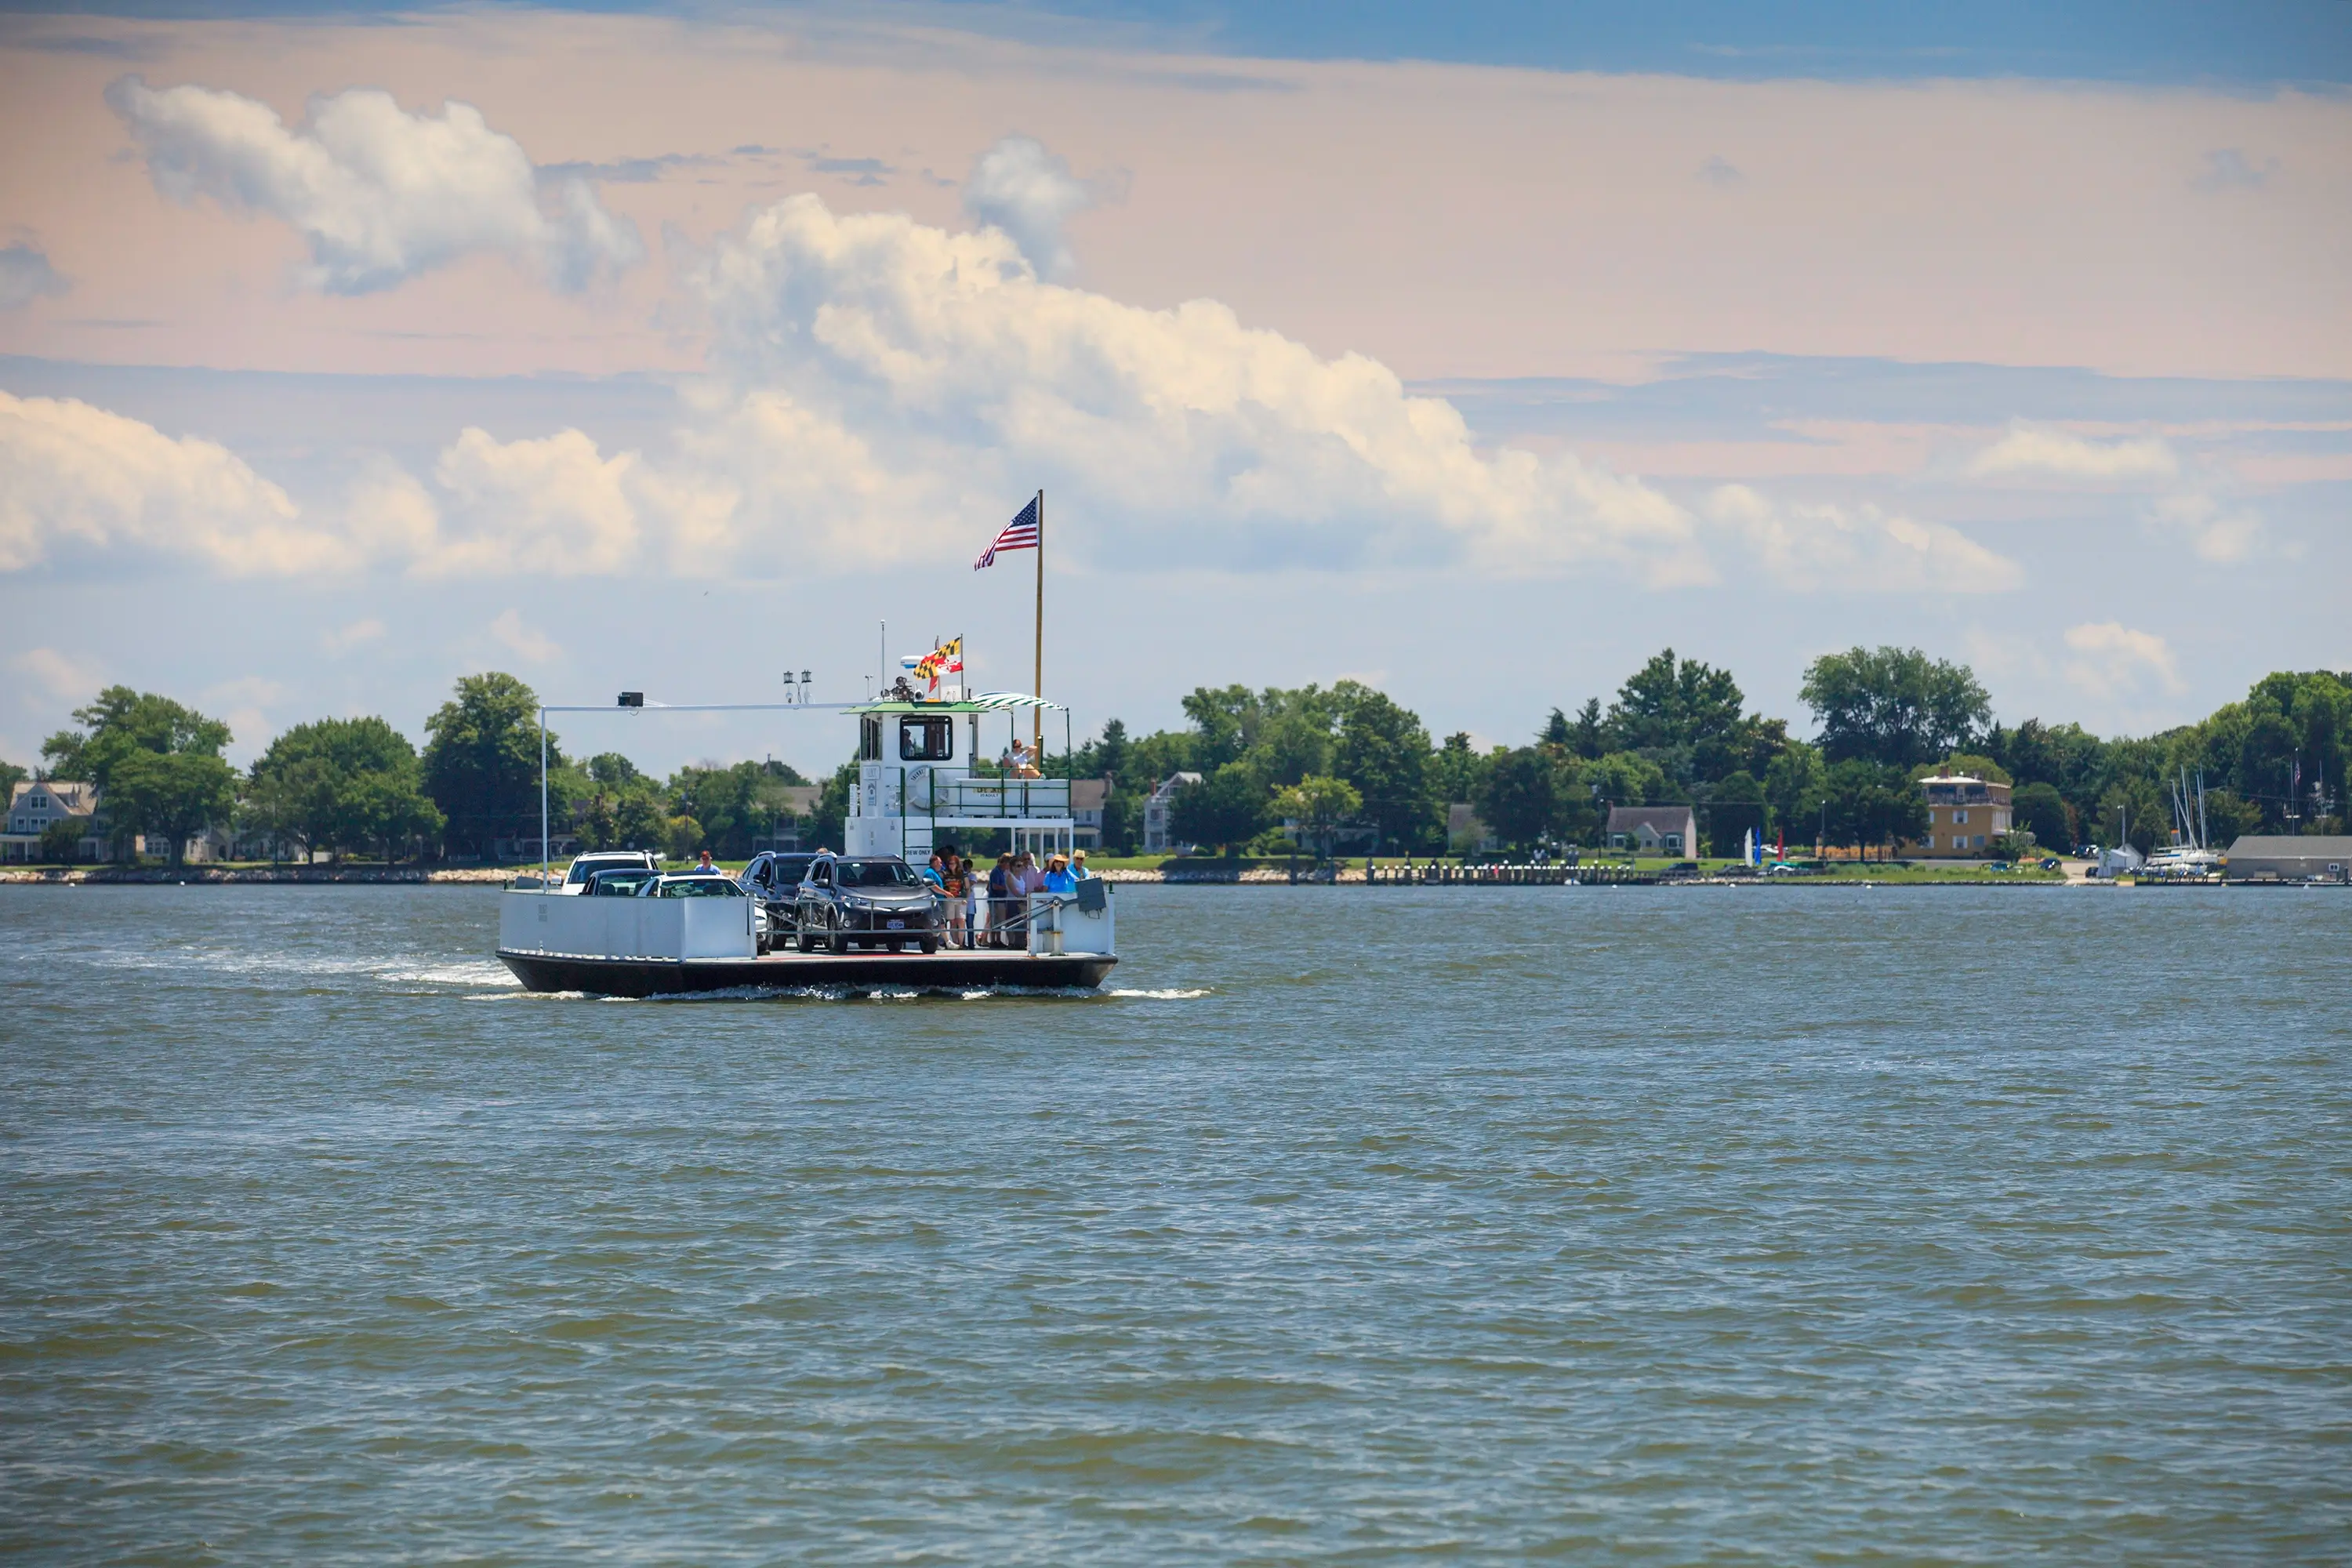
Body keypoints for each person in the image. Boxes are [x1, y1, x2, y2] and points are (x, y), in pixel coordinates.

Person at [987, 854, 1014, 948]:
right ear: (1005, 863)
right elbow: (995, 886)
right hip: (995, 899)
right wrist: (1006, 888)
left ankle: (998, 940)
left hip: (1001, 899)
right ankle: (993, 941)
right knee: (995, 920)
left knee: (999, 921)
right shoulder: (996, 872)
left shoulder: (1002, 872)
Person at [941, 852, 966, 948]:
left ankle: (961, 943)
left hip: (960, 899)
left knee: (961, 920)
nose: (951, 865)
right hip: (950, 899)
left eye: (953, 863)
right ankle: (955, 943)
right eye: (950, 863)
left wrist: (964, 897)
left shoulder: (961, 874)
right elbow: (943, 886)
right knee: (952, 921)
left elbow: (965, 887)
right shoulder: (945, 874)